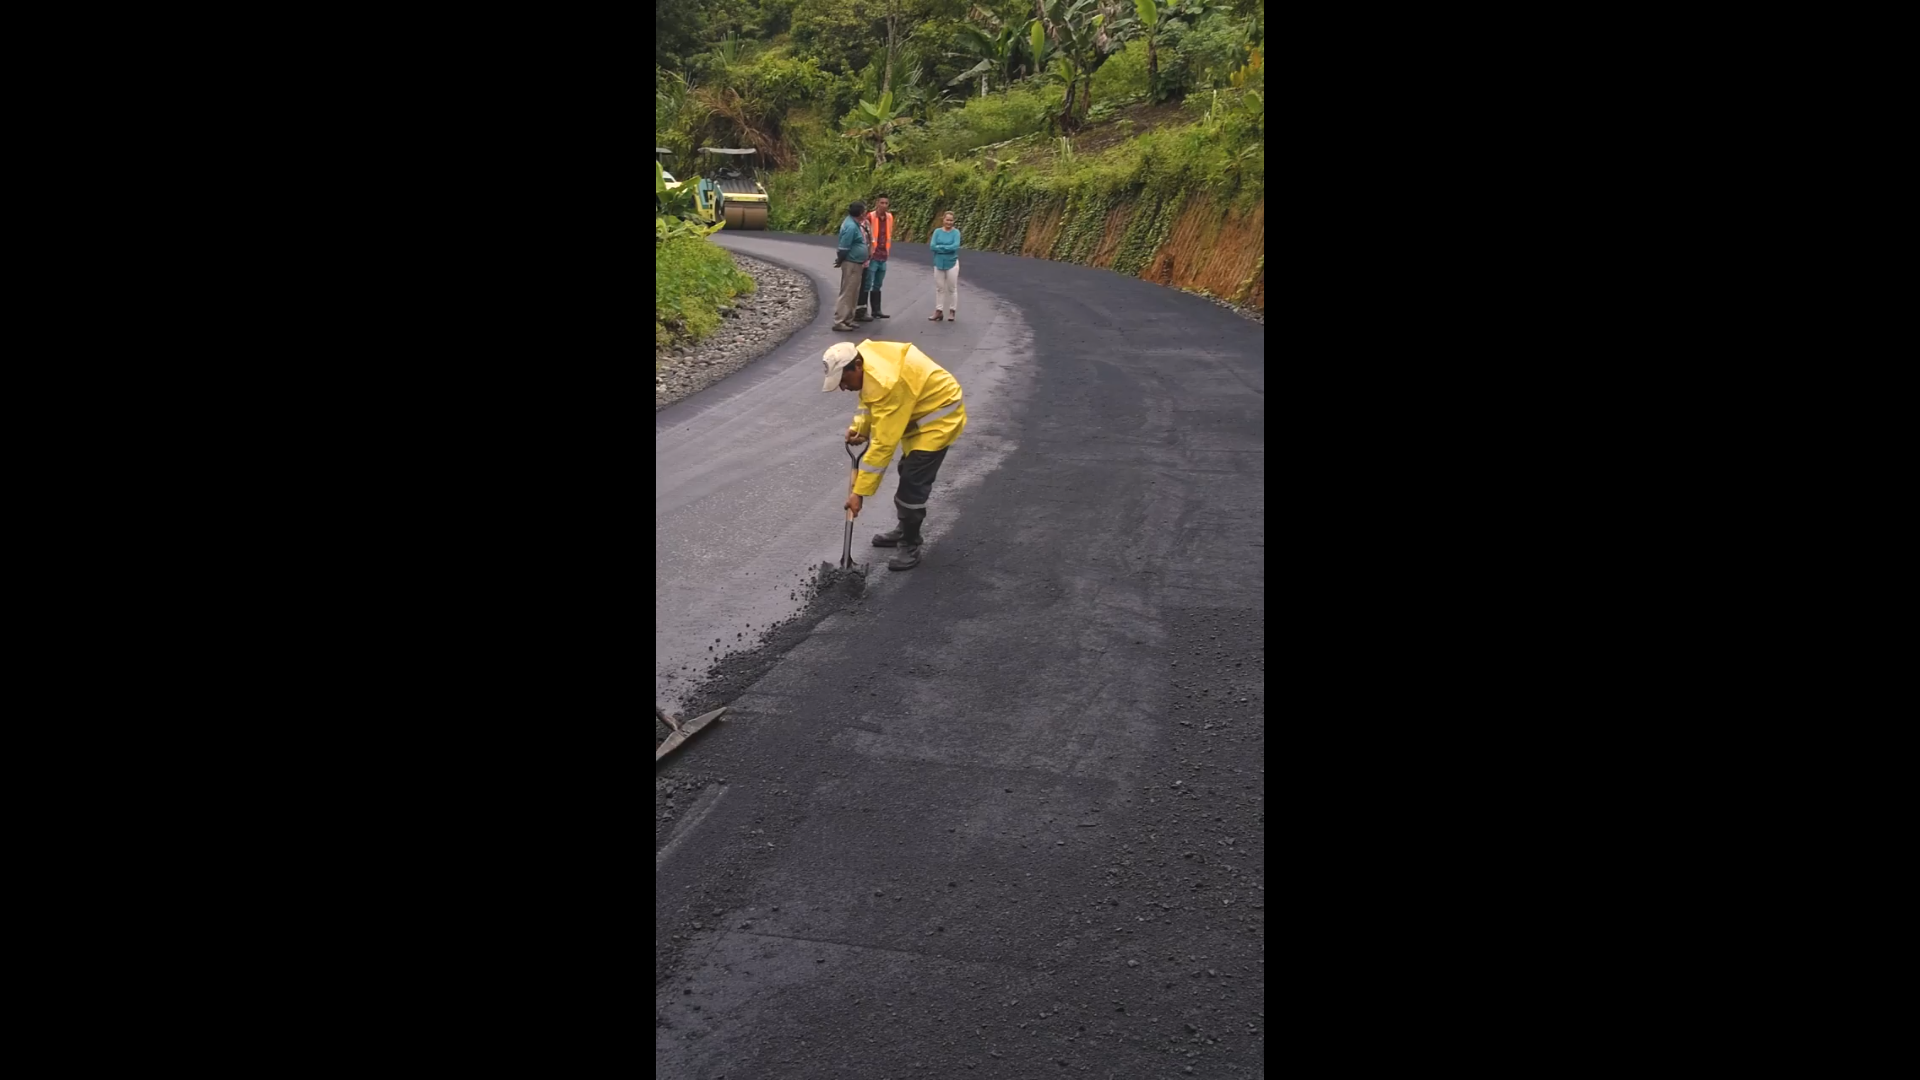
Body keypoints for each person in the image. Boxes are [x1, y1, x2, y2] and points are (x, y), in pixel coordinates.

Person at [820, 339, 966, 571]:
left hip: (938, 419)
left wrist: (858, 493)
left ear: (857, 365)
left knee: (912, 485)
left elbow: (882, 446)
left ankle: (910, 542)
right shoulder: (869, 365)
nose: (843, 388)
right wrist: (861, 427)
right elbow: (869, 403)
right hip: (916, 412)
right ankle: (904, 529)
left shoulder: (888, 383)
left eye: (844, 381)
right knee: (906, 470)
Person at [832, 202, 872, 332]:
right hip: (851, 263)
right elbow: (843, 247)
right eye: (864, 211)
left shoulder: (855, 224)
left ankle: (849, 318)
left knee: (854, 292)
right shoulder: (850, 226)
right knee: (847, 292)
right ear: (860, 213)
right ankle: (840, 320)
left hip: (857, 263)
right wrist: (840, 260)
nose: (865, 213)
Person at [858, 193, 896, 322]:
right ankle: (863, 311)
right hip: (872, 255)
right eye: (882, 203)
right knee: (868, 283)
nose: (884, 205)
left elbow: (888, 235)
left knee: (878, 284)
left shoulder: (890, 217)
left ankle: (876, 310)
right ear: (877, 203)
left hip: (883, 255)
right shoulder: (870, 216)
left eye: (886, 203)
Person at [929, 210, 960, 322]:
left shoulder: (956, 233)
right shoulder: (937, 232)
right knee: (939, 288)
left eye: (951, 220)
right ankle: (939, 311)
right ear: (943, 220)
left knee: (952, 288)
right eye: (947, 220)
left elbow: (955, 247)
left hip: (951, 263)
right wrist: (947, 248)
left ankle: (952, 310)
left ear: (953, 221)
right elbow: (932, 246)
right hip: (938, 263)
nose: (949, 222)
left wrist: (940, 247)